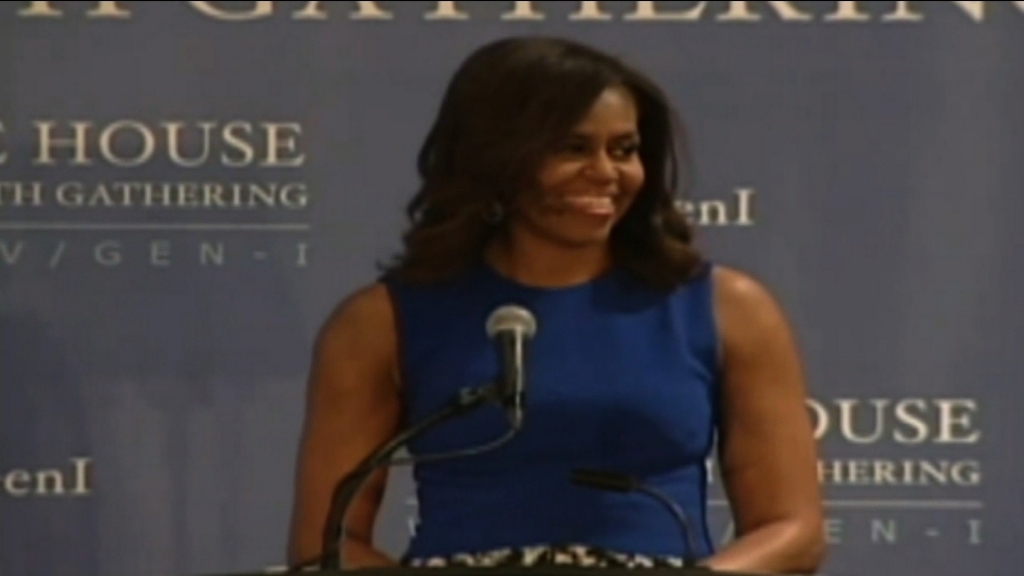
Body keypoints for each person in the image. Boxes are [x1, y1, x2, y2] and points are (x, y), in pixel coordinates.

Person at [286, 35, 825, 573]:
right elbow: (326, 546)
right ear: (495, 158)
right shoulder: (380, 322)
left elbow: (793, 531)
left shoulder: (727, 307)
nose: (606, 172)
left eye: (624, 150)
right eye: (572, 148)